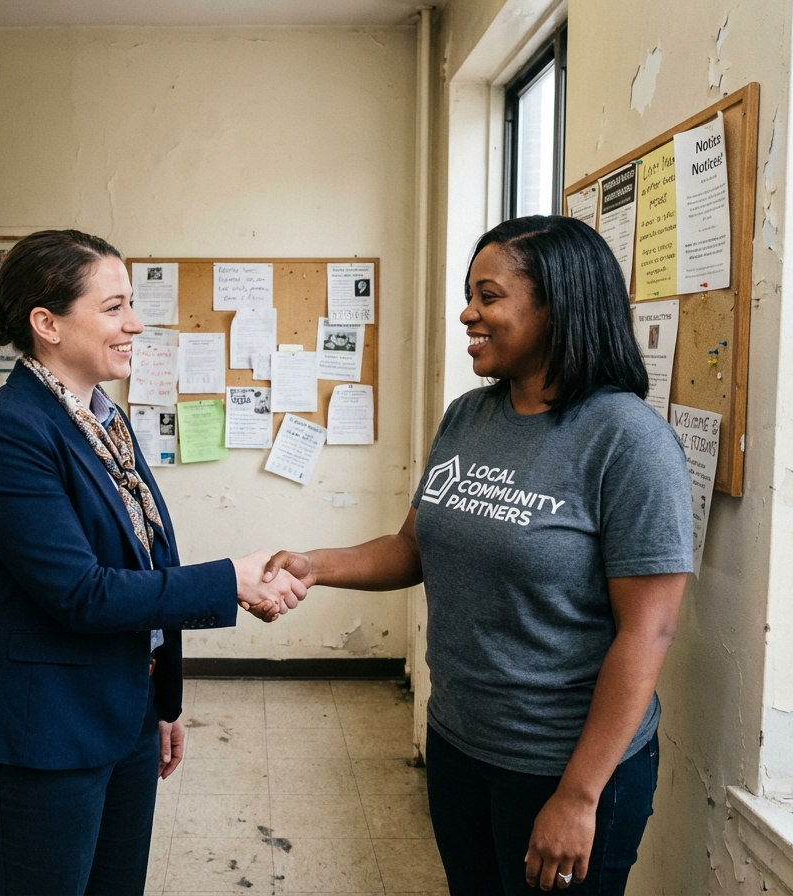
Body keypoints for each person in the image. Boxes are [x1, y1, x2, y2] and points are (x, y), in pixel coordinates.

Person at [264, 216, 692, 895]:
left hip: (561, 764)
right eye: (471, 294)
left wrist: (579, 797)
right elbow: (414, 547)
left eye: (488, 295)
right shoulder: (469, 416)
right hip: (460, 740)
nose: (468, 313)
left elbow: (649, 632)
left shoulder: (629, 442)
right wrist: (316, 565)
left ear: (560, 305)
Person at [0, 229, 305, 896]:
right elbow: (82, 593)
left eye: (131, 304)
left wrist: (161, 702)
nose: (135, 324)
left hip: (125, 714)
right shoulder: (8, 432)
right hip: (44, 737)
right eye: (114, 308)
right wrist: (230, 581)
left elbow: (143, 562)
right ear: (46, 323)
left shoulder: (102, 421)